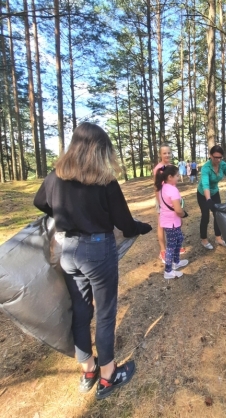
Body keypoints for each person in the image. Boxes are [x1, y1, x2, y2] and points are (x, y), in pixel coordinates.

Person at [33, 122, 152, 400]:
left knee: (80, 310)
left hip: (68, 252)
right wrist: (140, 227)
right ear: (101, 150)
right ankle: (108, 376)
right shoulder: (104, 181)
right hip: (97, 252)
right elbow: (124, 223)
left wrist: (65, 214)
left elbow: (41, 202)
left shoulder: (55, 177)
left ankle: (88, 370)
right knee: (105, 312)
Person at [155, 165, 189, 279]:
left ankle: (176, 261)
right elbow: (178, 210)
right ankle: (168, 271)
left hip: (168, 220)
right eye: (177, 175)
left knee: (179, 239)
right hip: (172, 223)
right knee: (171, 246)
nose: (179, 178)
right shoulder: (172, 190)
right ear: (170, 177)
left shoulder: (163, 187)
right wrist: (184, 214)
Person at [153, 144, 186, 263]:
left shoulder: (172, 167)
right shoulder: (158, 168)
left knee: (176, 221)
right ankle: (163, 250)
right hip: (161, 200)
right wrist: (160, 203)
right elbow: (157, 187)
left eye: (169, 153)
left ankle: (176, 244)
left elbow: (174, 185)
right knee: (162, 224)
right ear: (160, 155)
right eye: (164, 153)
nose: (167, 155)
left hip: (172, 200)